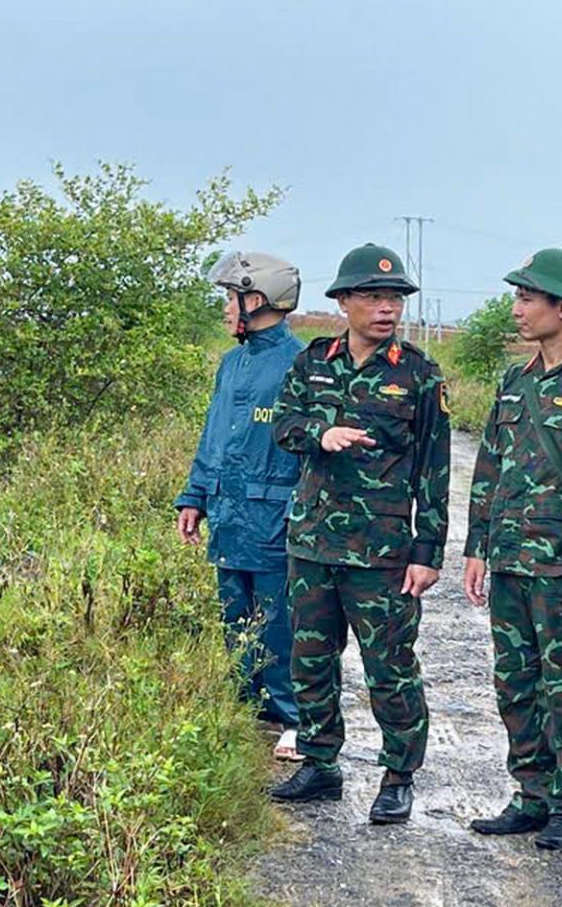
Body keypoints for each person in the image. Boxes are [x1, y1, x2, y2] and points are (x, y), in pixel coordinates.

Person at [268, 243, 451, 824]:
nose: (385, 308)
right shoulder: (313, 362)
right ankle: (321, 762)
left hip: (383, 552)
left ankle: (399, 774)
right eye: (372, 296)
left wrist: (428, 551)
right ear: (343, 301)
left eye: (394, 297)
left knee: (389, 664)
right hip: (313, 541)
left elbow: (435, 469)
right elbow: (284, 425)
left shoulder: (419, 375)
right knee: (310, 658)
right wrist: (321, 433)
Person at [463, 249, 562, 853]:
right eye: (518, 296)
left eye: (529, 298)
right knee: (514, 681)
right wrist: (477, 546)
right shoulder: (515, 380)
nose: (518, 308)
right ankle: (531, 795)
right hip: (509, 559)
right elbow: (489, 466)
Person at [177, 252, 306, 758]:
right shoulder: (231, 364)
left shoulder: (299, 363)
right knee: (236, 616)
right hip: (229, 514)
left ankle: (296, 716)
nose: (227, 310)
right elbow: (214, 438)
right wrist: (194, 497)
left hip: (276, 515)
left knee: (280, 619)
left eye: (231, 299)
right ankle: (249, 709)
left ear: (256, 299)